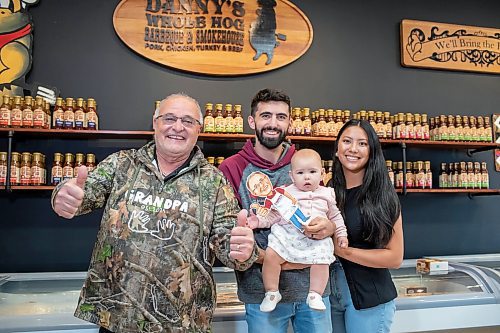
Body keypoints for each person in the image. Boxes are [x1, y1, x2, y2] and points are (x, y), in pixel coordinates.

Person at [51, 93, 259, 333]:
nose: (177, 127)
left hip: (181, 321)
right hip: (118, 315)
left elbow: (230, 245)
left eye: (188, 121)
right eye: (169, 118)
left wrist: (243, 250)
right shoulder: (122, 164)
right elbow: (82, 194)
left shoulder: (214, 182)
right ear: (155, 123)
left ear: (198, 129)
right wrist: (63, 197)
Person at [219, 88, 336, 333]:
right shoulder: (232, 167)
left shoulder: (306, 163)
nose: (273, 123)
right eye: (266, 116)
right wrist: (269, 257)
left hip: (312, 293)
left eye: (281, 117)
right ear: (251, 121)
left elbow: (326, 209)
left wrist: (331, 227)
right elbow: (226, 232)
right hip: (261, 294)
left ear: (290, 122)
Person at [246, 149, 348, 312]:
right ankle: (272, 291)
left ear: (322, 173)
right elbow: (273, 217)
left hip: (315, 239)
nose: (307, 177)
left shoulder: (327, 194)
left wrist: (341, 234)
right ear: (292, 176)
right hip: (287, 238)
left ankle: (315, 293)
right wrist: (257, 221)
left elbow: (336, 217)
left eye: (312, 172)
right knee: (271, 257)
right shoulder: (285, 193)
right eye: (300, 173)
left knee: (322, 260)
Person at [328, 119, 404, 333]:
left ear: (372, 152)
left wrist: (343, 251)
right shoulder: (327, 191)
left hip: (370, 298)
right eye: (347, 141)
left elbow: (395, 257)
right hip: (330, 295)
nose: (353, 149)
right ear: (336, 149)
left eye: (362, 143)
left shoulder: (383, 195)